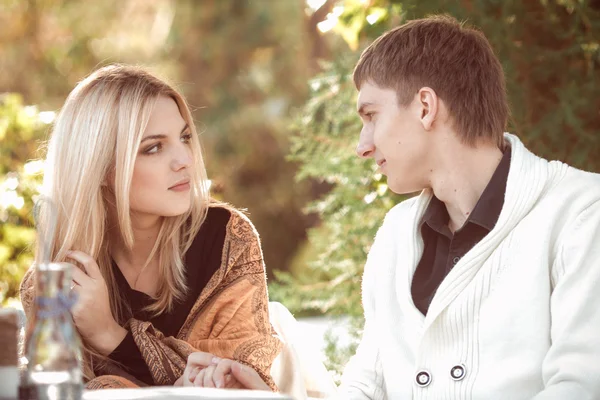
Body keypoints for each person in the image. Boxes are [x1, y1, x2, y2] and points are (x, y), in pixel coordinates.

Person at [183, 15, 600, 399]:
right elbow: (367, 386)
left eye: (370, 115)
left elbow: (579, 388)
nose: (363, 146)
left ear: (424, 106)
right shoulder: (397, 233)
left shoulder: (582, 215)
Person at [19, 64, 282, 390]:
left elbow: (246, 384)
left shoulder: (227, 238)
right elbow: (53, 390)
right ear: (100, 167)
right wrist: (177, 379)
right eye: (153, 147)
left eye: (184, 137)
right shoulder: (59, 279)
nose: (184, 159)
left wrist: (108, 335)